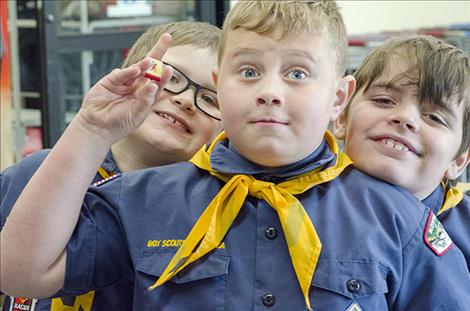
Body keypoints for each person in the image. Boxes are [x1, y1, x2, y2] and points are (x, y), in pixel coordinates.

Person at [2, 1, 470, 310]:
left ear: (338, 97)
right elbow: (20, 275)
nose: (269, 91)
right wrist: (90, 129)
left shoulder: (397, 220)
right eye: (248, 71)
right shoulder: (139, 200)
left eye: (298, 74)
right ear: (219, 85)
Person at [0, 21, 222, 311]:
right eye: (170, 78)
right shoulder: (33, 175)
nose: (185, 101)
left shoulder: (210, 213)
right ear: (128, 73)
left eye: (209, 99)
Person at [333, 34, 470, 266]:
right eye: (384, 100)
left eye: (434, 117)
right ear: (342, 117)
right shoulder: (297, 207)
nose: (405, 118)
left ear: (458, 160)